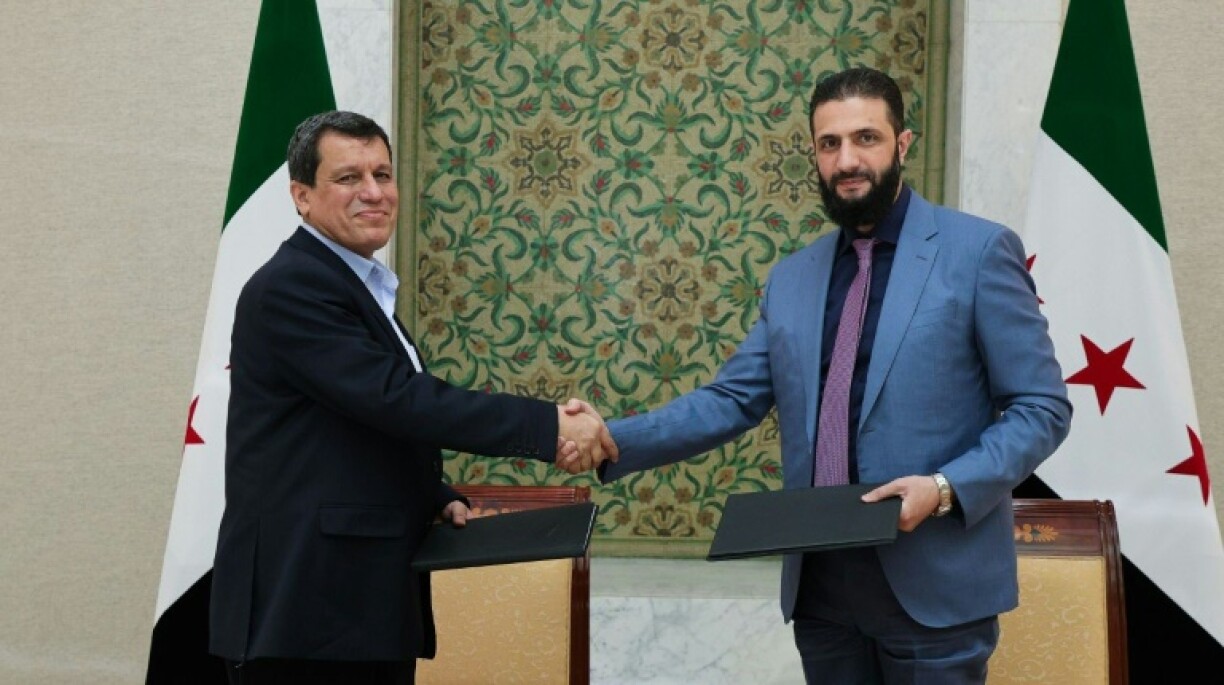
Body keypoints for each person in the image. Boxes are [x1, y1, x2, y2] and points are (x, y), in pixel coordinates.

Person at [569, 67, 1071, 683]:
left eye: (867, 138)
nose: (847, 160)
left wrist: (942, 488)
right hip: (823, 592)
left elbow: (1041, 407)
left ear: (903, 144)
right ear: (813, 154)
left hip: (934, 590)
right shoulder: (793, 277)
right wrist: (611, 436)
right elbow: (732, 399)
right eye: (829, 144)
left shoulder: (978, 252)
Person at [209, 110, 612, 684]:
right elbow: (397, 399)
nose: (373, 193)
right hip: (306, 612)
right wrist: (549, 427)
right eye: (348, 178)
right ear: (301, 196)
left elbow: (356, 430)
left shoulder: (355, 284)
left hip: (355, 608)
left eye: (383, 174)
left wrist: (431, 494)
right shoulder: (292, 287)